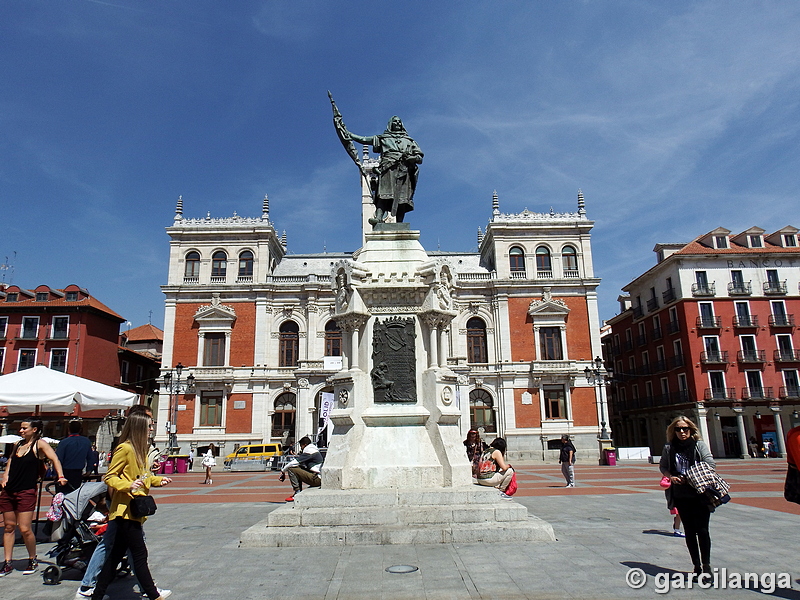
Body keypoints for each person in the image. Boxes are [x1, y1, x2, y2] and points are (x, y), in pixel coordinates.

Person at [89, 412, 172, 600]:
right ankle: (153, 595)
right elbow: (109, 476)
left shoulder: (140, 450)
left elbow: (144, 477)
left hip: (134, 510)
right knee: (139, 554)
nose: (152, 429)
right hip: (125, 510)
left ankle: (97, 594)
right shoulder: (125, 449)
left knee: (115, 556)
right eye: (149, 426)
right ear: (139, 428)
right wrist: (127, 485)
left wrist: (159, 480)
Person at [1, 420, 68, 577]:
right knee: (9, 527)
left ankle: (32, 559)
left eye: (25, 428)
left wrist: (61, 475)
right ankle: (7, 562)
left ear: (34, 429)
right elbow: (10, 460)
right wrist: (5, 476)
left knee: (25, 528)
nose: (21, 430)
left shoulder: (40, 444)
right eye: (21, 428)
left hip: (26, 491)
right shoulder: (17, 444)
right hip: (9, 491)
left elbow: (54, 459)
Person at [659, 415, 716, 577]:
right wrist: (671, 476)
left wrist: (691, 476)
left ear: (691, 429)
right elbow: (663, 466)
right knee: (690, 531)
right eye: (678, 429)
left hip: (700, 492)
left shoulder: (699, 446)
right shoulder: (669, 448)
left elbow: (710, 463)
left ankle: (706, 565)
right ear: (673, 431)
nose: (682, 432)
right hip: (681, 494)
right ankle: (696, 566)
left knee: (703, 530)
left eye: (685, 428)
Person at [347, 116, 424, 225]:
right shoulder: (384, 138)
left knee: (402, 198)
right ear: (390, 124)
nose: (397, 123)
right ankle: (378, 218)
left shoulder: (409, 141)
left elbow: (419, 158)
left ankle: (399, 223)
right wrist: (349, 135)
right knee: (383, 194)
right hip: (387, 168)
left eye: (399, 122)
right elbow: (364, 139)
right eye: (395, 121)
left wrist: (411, 158)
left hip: (403, 170)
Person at [280, 436, 323, 502]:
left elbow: (294, 463)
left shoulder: (309, 451)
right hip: (317, 476)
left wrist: (283, 470)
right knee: (297, 468)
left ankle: (297, 492)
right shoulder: (314, 449)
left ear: (305, 445)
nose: (301, 448)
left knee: (291, 469)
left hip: (316, 479)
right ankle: (297, 491)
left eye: (301, 446)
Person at [56, 420, 93, 493]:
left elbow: (58, 459)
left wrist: (55, 473)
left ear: (68, 429)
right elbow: (90, 457)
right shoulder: (86, 441)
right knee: (75, 494)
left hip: (64, 472)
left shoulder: (64, 442)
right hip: (78, 472)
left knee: (61, 495)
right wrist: (89, 470)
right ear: (80, 430)